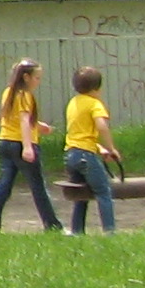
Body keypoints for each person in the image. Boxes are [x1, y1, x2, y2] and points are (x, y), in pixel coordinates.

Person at [0, 57, 63, 231]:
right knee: (38, 187)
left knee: (3, 186)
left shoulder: (9, 92)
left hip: (5, 142)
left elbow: (14, 118)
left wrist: (39, 126)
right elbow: (23, 120)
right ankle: (52, 225)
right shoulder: (25, 95)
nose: (38, 81)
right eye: (37, 77)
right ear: (26, 77)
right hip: (21, 144)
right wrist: (28, 147)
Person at [63, 65, 122, 234]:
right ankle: (110, 231)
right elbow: (101, 127)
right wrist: (111, 148)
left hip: (71, 154)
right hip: (86, 155)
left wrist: (99, 148)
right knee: (103, 191)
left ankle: (77, 231)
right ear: (96, 89)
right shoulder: (95, 104)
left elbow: (80, 133)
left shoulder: (73, 103)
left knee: (80, 194)